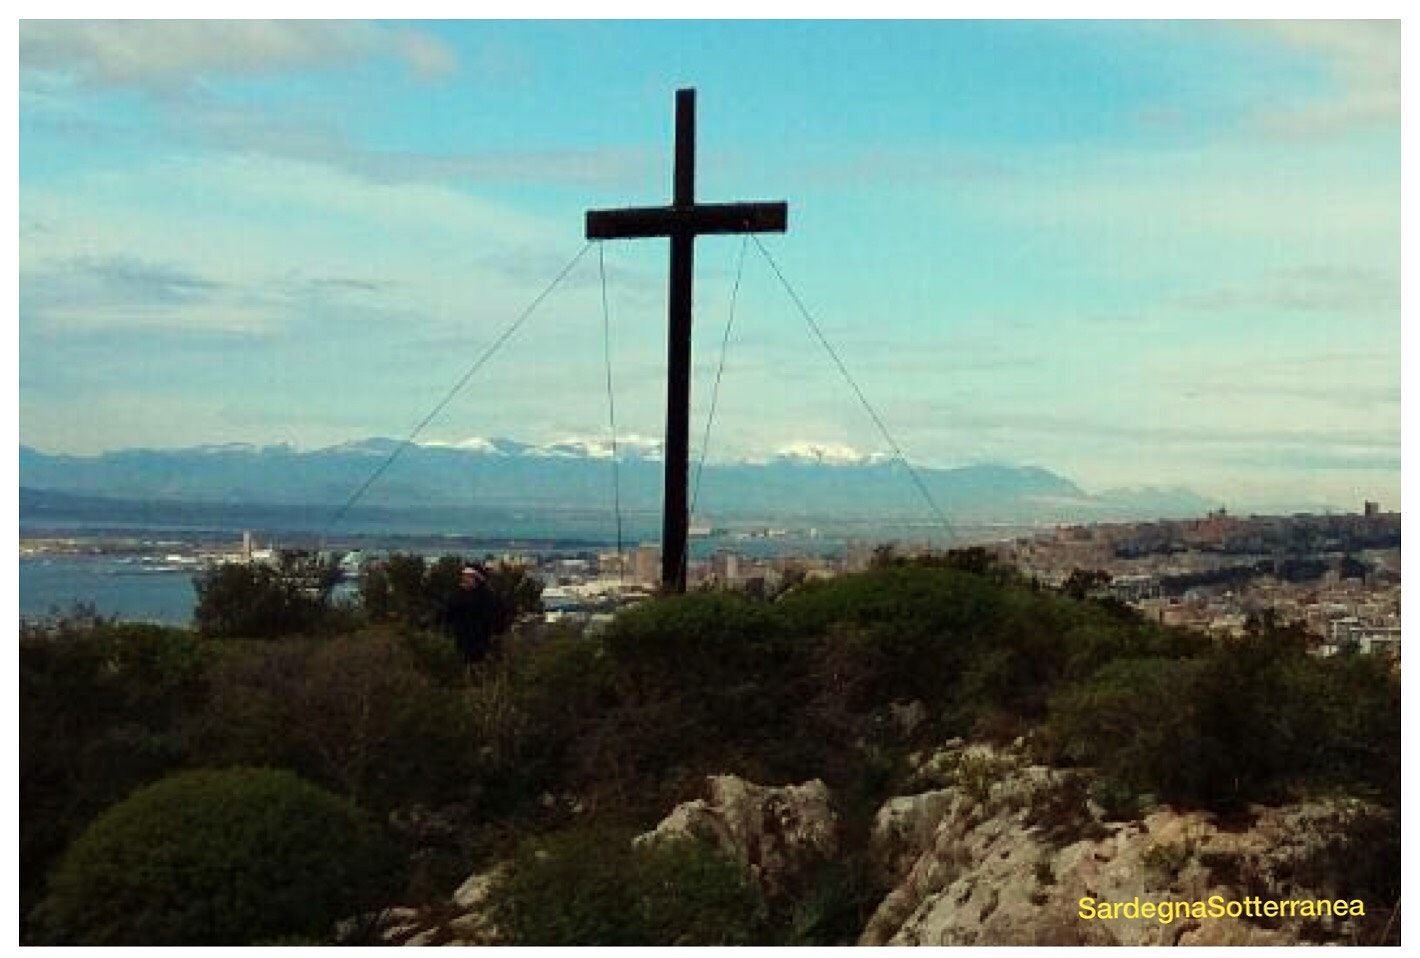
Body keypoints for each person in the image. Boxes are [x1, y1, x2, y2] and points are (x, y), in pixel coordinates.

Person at [442, 564, 498, 667]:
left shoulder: (486, 597)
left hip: (478, 643)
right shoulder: (457, 595)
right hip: (458, 640)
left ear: (477, 579)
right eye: (464, 576)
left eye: (468, 576)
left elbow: (491, 618)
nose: (464, 579)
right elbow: (447, 614)